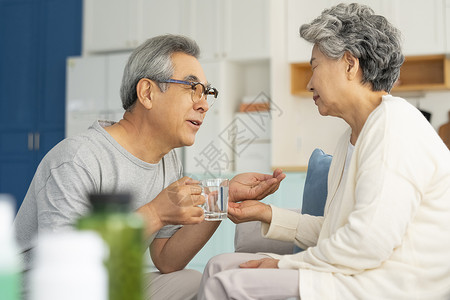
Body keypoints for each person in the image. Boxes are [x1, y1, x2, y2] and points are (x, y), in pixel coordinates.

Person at [198, 3, 450, 300]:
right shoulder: (353, 136)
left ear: (349, 64)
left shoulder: (393, 127)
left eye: (314, 65)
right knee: (218, 266)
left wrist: (285, 264)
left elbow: (367, 244)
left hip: (388, 283)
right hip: (361, 270)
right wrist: (266, 213)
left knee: (225, 283)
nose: (309, 82)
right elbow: (336, 230)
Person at [13, 34, 285, 300]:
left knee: (195, 282)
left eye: (207, 92)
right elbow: (67, 266)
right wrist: (155, 213)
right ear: (147, 93)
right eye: (193, 89)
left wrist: (222, 199)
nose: (203, 104)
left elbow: (166, 258)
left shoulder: (167, 161)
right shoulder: (77, 159)